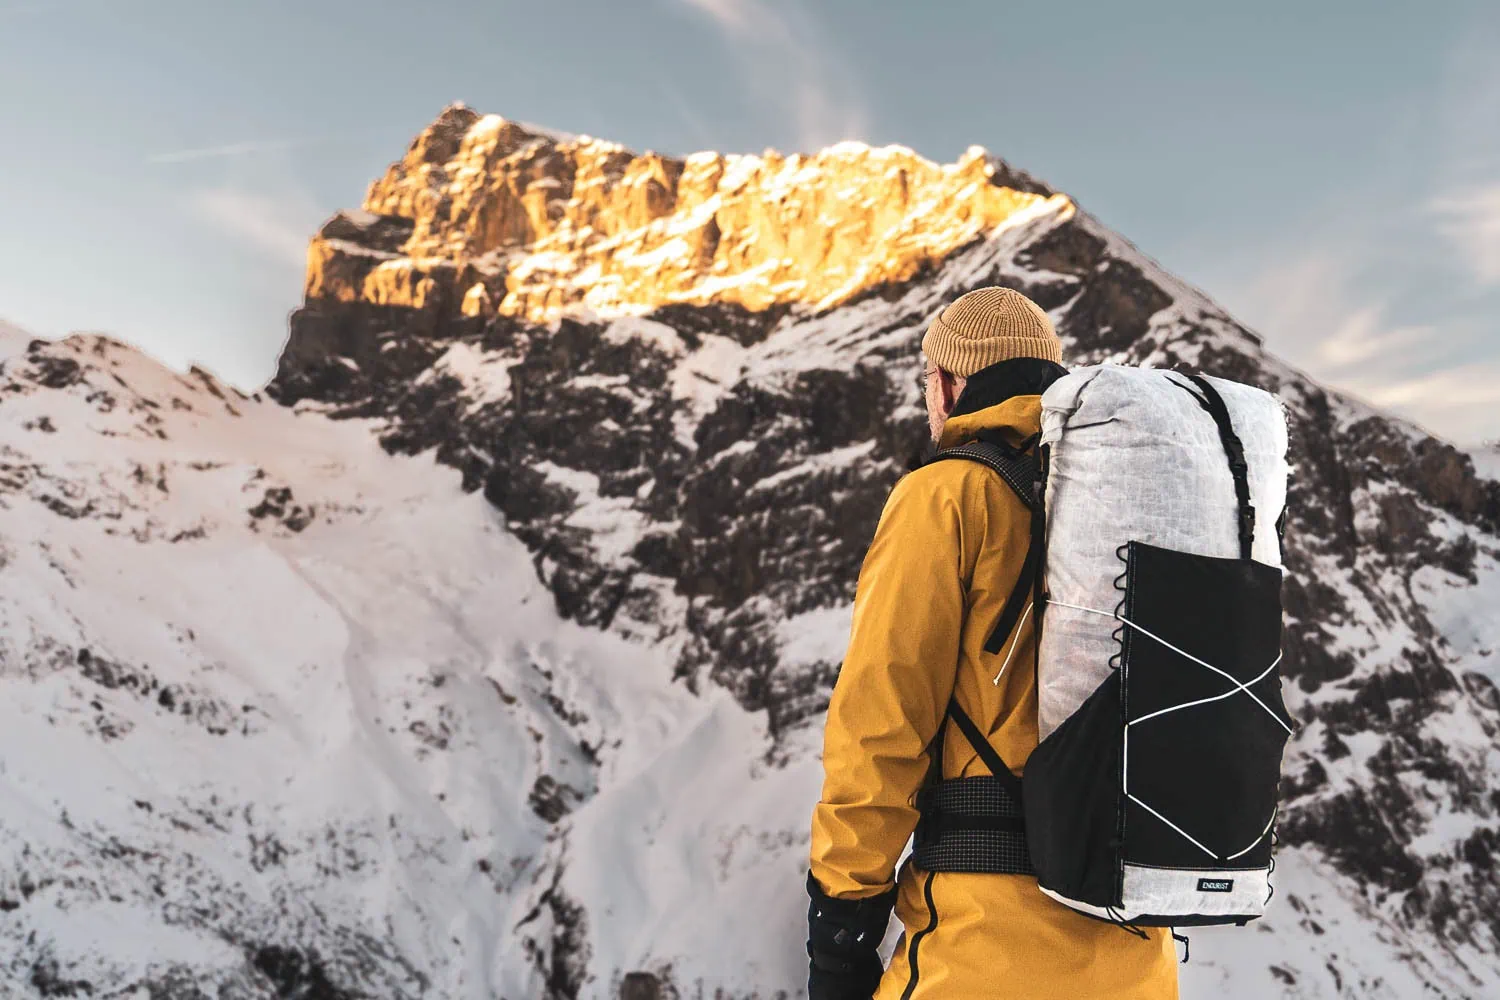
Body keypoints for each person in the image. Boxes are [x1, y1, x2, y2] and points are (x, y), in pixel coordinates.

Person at [805, 287, 1179, 999]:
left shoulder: (946, 496)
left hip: (982, 950)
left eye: (927, 381)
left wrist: (841, 931)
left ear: (949, 384)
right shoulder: (1125, 504)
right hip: (1137, 958)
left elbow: (881, 724)